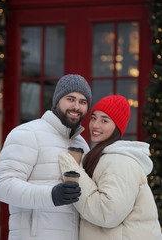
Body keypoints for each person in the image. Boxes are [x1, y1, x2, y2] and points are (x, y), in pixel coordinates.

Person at [0, 74, 92, 240]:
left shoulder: (82, 145)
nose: (76, 107)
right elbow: (3, 186)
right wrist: (51, 195)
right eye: (70, 99)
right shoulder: (27, 133)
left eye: (83, 102)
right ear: (57, 100)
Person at [59, 95, 162, 240]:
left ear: (117, 127)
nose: (95, 125)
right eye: (94, 118)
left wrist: (73, 171)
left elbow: (107, 214)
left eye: (104, 120)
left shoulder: (119, 161)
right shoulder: (102, 157)